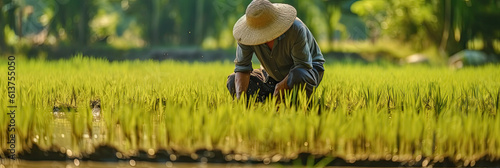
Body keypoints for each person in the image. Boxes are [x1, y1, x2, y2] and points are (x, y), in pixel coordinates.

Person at [227, 0, 325, 102]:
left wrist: (282, 86)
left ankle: (301, 103)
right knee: (233, 81)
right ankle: (266, 106)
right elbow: (242, 68)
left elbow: (303, 66)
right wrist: (240, 99)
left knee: (297, 76)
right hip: (271, 74)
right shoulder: (245, 36)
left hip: (307, 71)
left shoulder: (295, 29)